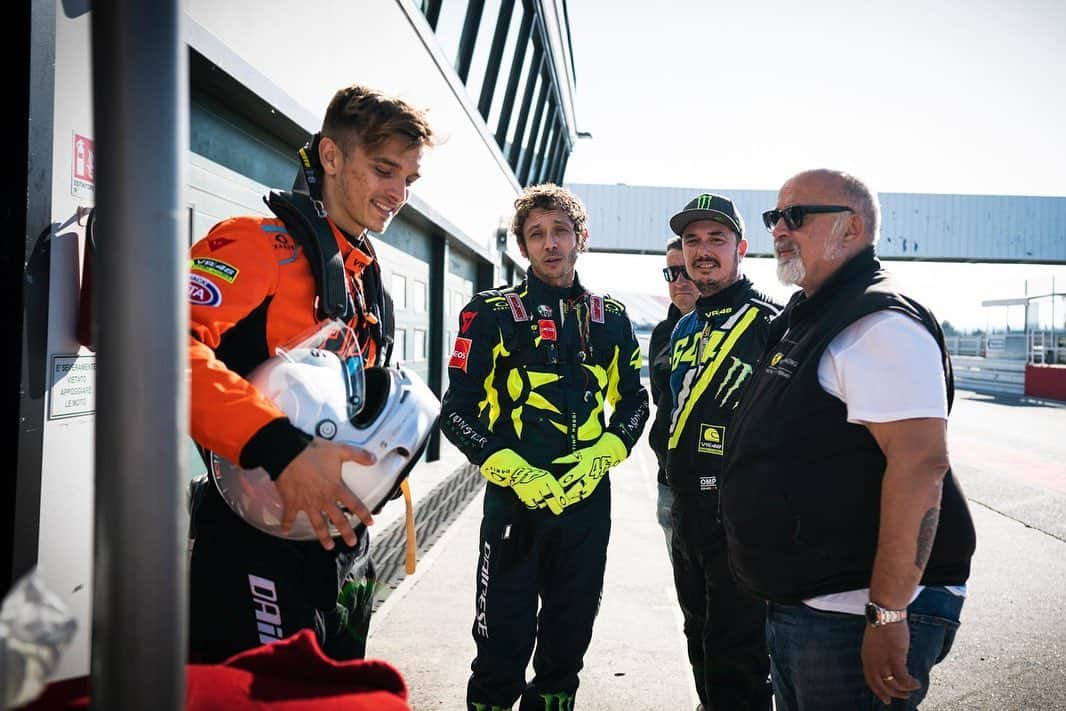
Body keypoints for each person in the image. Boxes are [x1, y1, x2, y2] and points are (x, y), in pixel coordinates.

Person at [186, 84, 434, 663]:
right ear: (330, 156)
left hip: (347, 553)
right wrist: (279, 447)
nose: (397, 194)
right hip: (254, 548)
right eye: (383, 170)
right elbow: (157, 346)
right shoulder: (256, 244)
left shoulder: (366, 278)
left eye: (408, 180)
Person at [721, 169, 977, 710]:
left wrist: (888, 611)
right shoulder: (811, 314)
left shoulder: (878, 322)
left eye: (797, 215)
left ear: (852, 226)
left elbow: (921, 466)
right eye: (775, 217)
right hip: (809, 602)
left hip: (856, 608)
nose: (780, 229)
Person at [440, 183, 649, 711]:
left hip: (586, 502)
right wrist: (511, 469)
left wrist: (605, 452)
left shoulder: (613, 316)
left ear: (582, 237)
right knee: (500, 647)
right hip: (514, 502)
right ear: (523, 246)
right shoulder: (488, 312)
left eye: (560, 231)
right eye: (537, 234)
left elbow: (635, 404)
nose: (550, 243)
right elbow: (456, 410)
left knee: (566, 644)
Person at [662, 194, 780, 710]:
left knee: (739, 662)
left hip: (743, 525)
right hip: (688, 517)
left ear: (741, 249)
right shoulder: (685, 326)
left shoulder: (771, 324)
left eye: (716, 239)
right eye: (692, 240)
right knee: (700, 644)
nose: (702, 251)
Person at [647, 237, 699, 558]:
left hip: (719, 493)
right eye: (671, 273)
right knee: (688, 599)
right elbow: (661, 401)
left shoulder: (743, 328)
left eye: (686, 271)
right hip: (669, 486)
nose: (678, 282)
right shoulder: (662, 334)